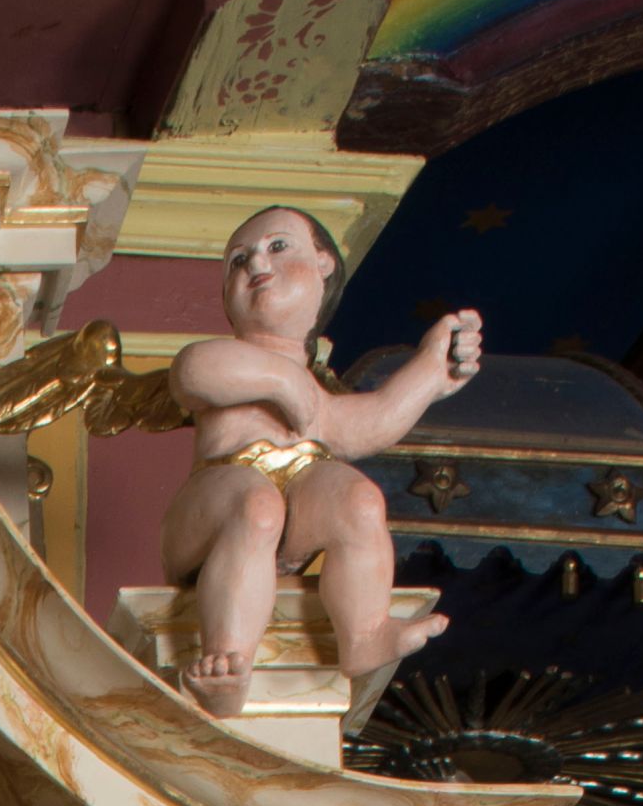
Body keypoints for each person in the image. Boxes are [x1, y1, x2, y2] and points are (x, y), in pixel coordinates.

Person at [161, 205, 480, 719]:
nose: (256, 263)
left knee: (357, 499)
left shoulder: (315, 398)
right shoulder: (219, 355)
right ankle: (227, 663)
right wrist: (283, 380)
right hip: (212, 509)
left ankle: (365, 635)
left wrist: (429, 371)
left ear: (323, 264)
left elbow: (364, 425)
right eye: (238, 260)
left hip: (295, 506)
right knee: (256, 506)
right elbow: (195, 373)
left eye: (277, 246)